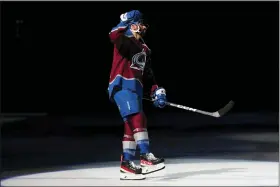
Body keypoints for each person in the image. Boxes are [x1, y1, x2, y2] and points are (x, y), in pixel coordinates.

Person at [108, 10, 167, 180]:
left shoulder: (145, 49)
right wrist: (125, 22)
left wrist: (157, 91)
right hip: (121, 86)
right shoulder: (123, 40)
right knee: (137, 116)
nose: (144, 27)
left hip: (136, 90)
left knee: (131, 125)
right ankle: (145, 155)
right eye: (141, 23)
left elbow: (148, 76)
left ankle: (127, 164)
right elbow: (112, 34)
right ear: (134, 24)